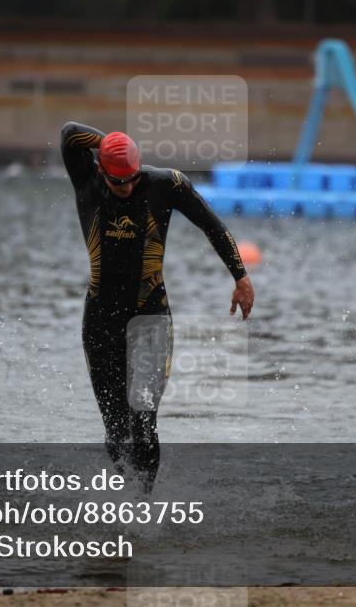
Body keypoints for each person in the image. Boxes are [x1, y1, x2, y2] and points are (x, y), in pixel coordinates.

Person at [60, 122, 255, 492]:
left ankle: (144, 508)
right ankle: (125, 508)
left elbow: (211, 224)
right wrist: (111, 145)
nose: (129, 187)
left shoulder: (165, 184)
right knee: (116, 431)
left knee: (143, 422)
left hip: (151, 319)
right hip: (101, 321)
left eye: (133, 177)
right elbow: (69, 132)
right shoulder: (86, 179)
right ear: (101, 170)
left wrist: (241, 276)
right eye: (120, 182)